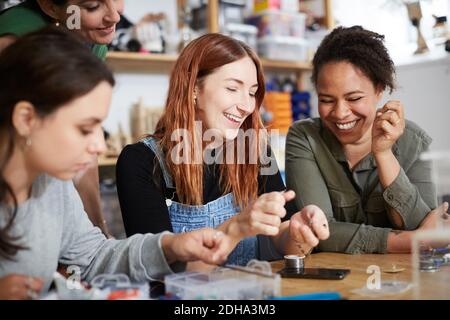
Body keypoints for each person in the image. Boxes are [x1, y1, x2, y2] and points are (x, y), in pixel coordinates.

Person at [0, 28, 233, 300]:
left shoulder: (53, 183)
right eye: (85, 129)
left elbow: (94, 257)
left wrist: (170, 246)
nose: (99, 145)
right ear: (26, 119)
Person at [116, 33, 330, 268]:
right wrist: (235, 228)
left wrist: (297, 232)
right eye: (232, 88)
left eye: (251, 92)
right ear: (193, 88)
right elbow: (158, 270)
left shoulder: (255, 151)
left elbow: (280, 238)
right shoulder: (140, 162)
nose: (247, 106)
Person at [285, 26, 449, 254]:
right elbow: (315, 232)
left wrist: (383, 154)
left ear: (379, 90)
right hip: (335, 278)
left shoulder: (415, 141)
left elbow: (422, 224)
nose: (340, 113)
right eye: (326, 100)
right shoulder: (304, 137)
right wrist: (409, 241)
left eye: (354, 98)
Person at [0, 0, 125, 236]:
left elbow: (82, 145)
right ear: (50, 7)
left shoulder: (93, 37)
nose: (115, 17)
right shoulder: (16, 40)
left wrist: (98, 228)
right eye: (92, 6)